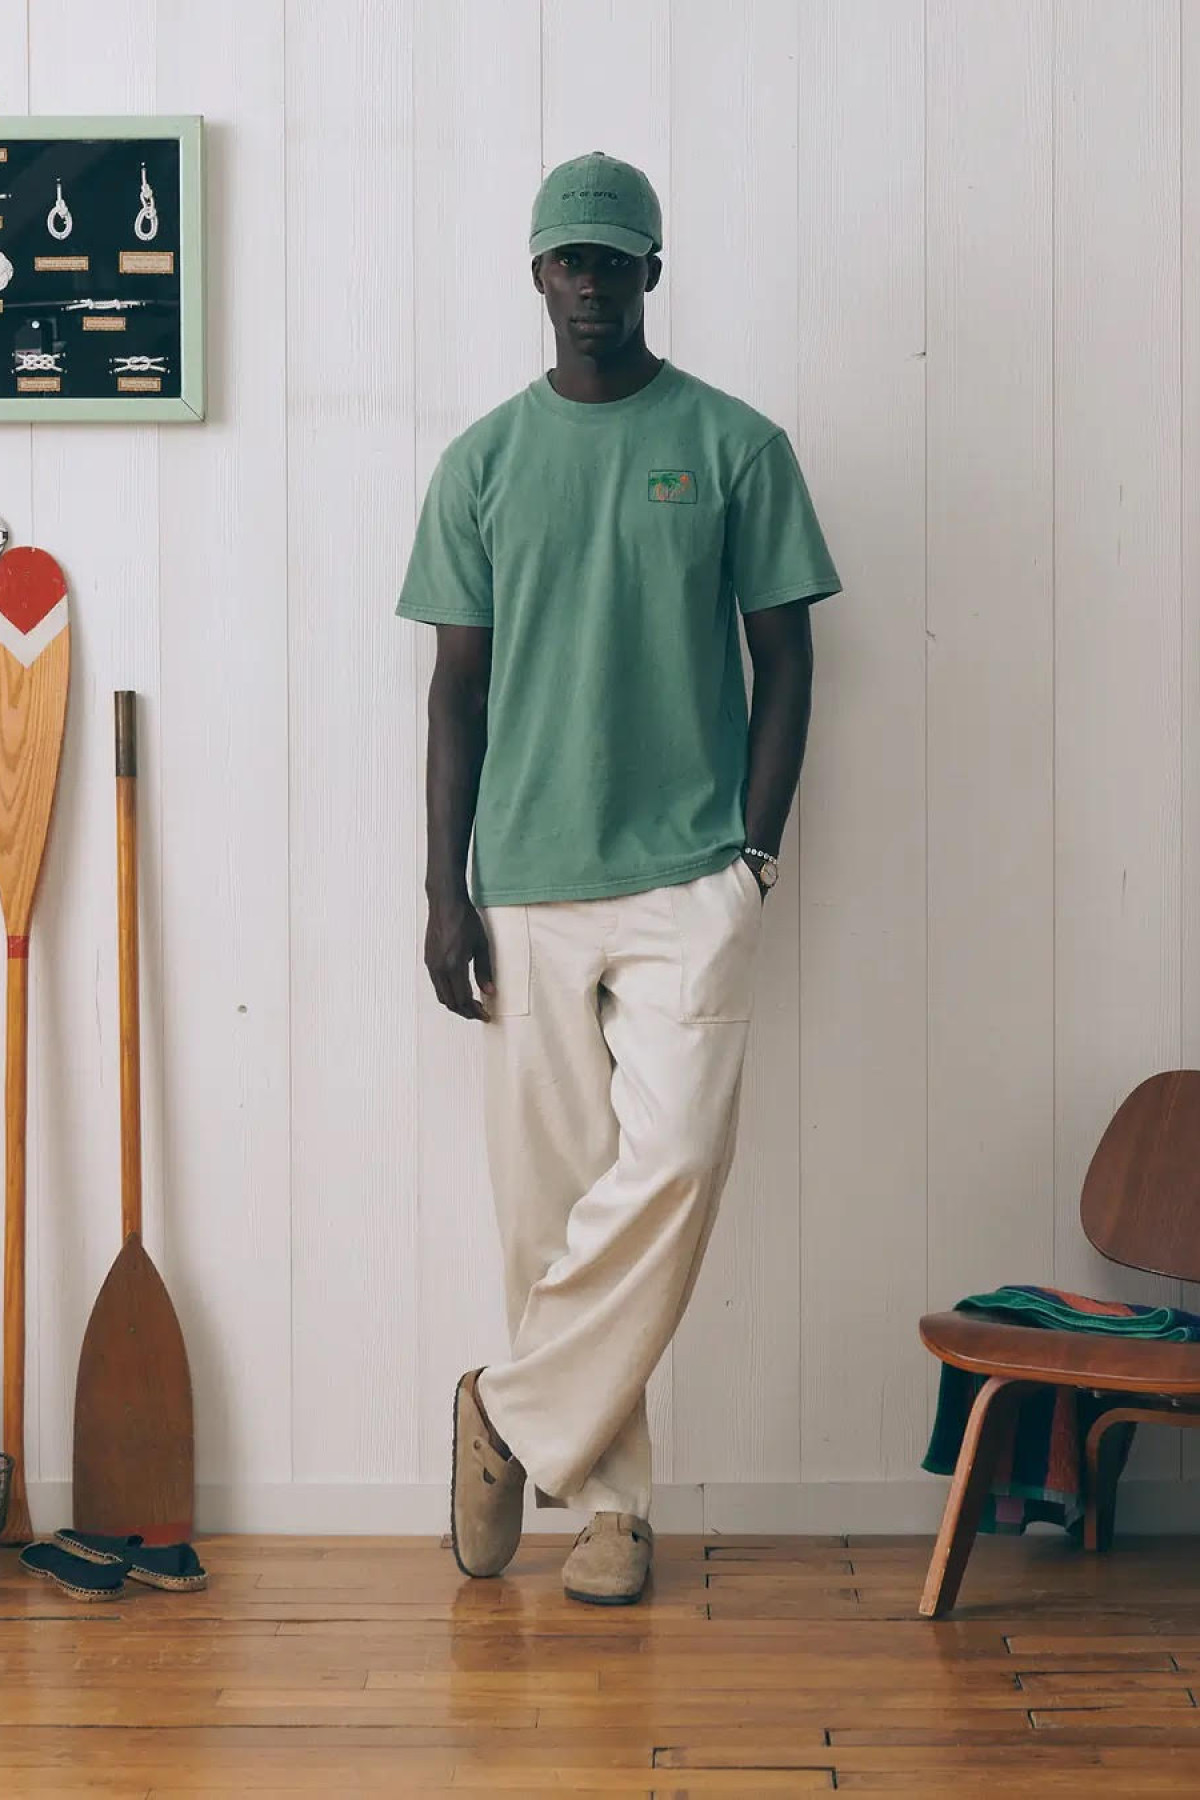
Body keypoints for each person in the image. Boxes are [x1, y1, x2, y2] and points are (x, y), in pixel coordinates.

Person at [395, 150, 841, 1606]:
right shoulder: (481, 463)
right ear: (538, 273)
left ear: (654, 271)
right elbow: (455, 693)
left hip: (689, 877)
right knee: (551, 1210)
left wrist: (753, 855)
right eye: (568, 260)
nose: (590, 284)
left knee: (677, 1163)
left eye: (614, 259)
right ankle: (611, 1511)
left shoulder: (734, 444)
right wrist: (443, 890)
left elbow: (788, 662)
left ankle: (504, 1413)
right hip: (523, 882)